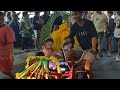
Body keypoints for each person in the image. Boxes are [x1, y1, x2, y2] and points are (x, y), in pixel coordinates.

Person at [65, 11, 97, 79]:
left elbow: (94, 36)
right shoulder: (74, 26)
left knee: (87, 68)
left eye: (76, 14)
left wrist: (93, 48)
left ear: (81, 14)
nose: (74, 16)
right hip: (81, 48)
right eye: (72, 15)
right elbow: (70, 38)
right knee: (68, 54)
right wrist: (63, 44)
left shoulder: (89, 23)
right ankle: (73, 72)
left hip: (90, 49)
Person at [0, 12, 15, 79]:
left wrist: (11, 54)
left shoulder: (7, 29)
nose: (0, 21)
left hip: (4, 54)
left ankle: (13, 77)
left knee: (5, 70)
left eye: (1, 19)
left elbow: (10, 44)